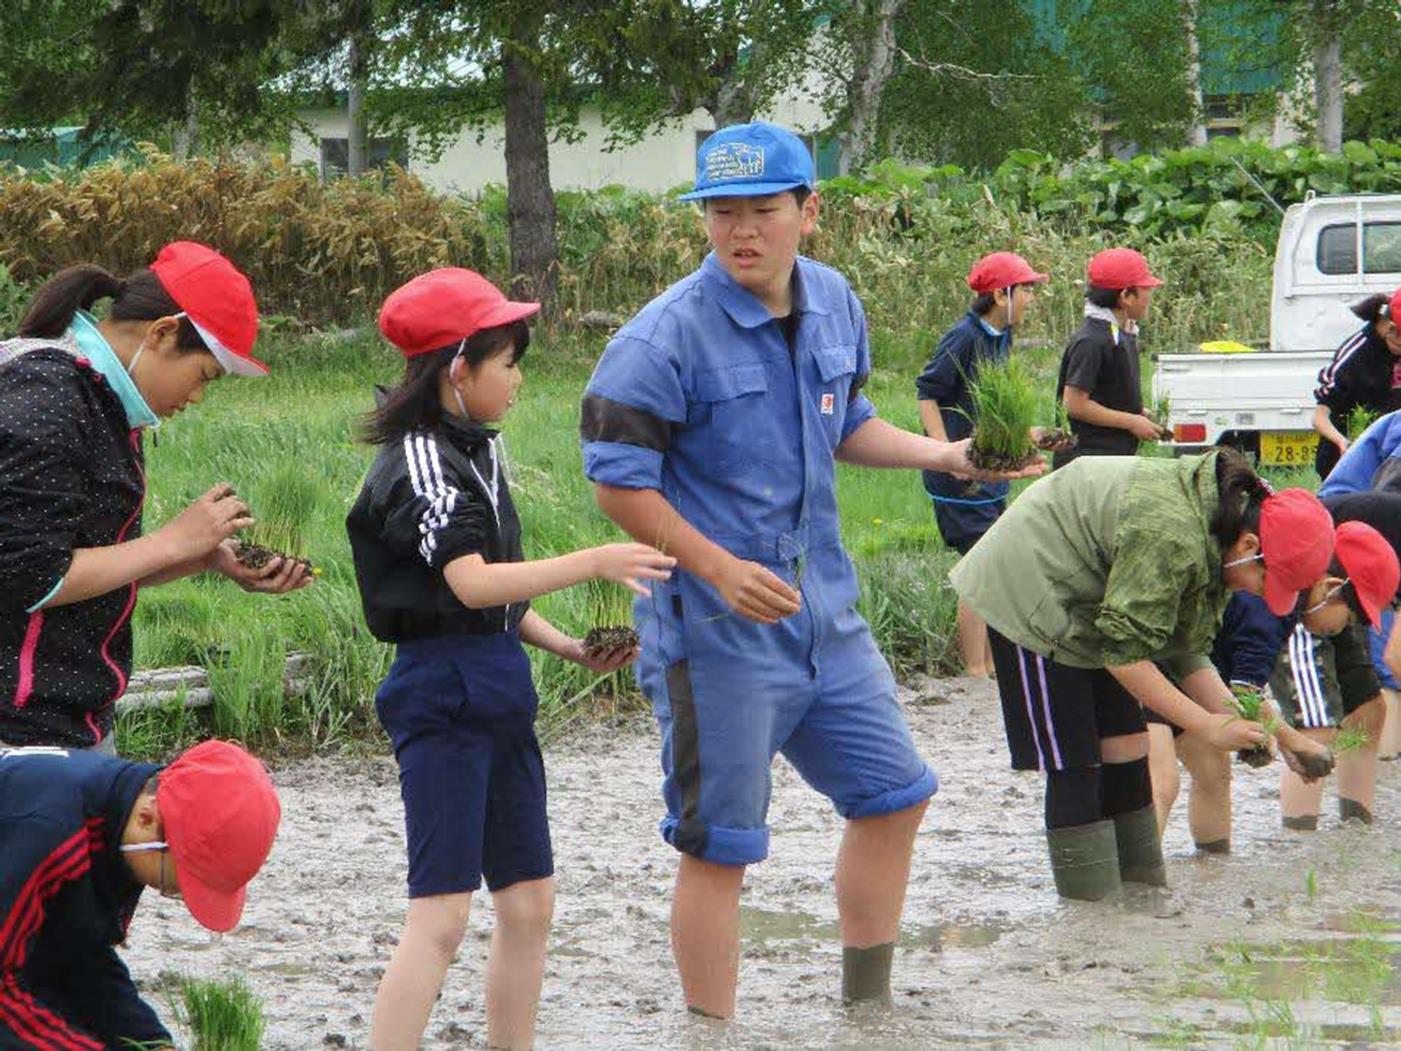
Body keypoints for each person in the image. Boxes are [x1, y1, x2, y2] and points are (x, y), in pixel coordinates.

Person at [580, 121, 1042, 1019]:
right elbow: (616, 486)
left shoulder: (833, 300)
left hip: (826, 612)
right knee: (720, 846)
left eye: (762, 210)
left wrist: (945, 458)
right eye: (722, 213)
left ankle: (866, 1013)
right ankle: (709, 1034)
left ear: (808, 209)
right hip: (716, 630)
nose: (741, 231)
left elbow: (845, 420)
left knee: (895, 795)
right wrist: (715, 569)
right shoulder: (660, 337)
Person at [347, 268, 675, 1051]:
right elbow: (469, 582)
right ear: (457, 370)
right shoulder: (422, 461)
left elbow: (498, 596)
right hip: (441, 692)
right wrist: (592, 559)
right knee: (442, 912)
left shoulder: (476, 451)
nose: (519, 379)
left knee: (528, 902)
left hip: (497, 682)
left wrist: (564, 643)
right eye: (508, 362)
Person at [949, 449, 1335, 901]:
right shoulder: (1173, 537)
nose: (1260, 594)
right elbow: (1124, 657)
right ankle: (1089, 911)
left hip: (1099, 604)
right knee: (1076, 761)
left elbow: (1186, 653)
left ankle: (1139, 896)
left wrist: (1285, 737)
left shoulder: (1217, 543)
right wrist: (1206, 725)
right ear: (1249, 547)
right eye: (1266, 582)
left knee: (1129, 745)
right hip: (1035, 589)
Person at [0, 242, 311, 753]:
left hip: (72, 722)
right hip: (22, 736)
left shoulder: (104, 398)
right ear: (163, 332)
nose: (196, 397)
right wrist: (174, 541)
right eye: (203, 376)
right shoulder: (48, 398)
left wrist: (205, 556)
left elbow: (91, 564)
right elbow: (32, 577)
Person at [0, 738, 280, 1050]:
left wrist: (150, 1042)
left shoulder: (121, 816)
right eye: (174, 885)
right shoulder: (48, 832)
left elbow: (79, 954)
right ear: (148, 819)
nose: (169, 892)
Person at [1149, 522, 1397, 849]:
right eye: (1351, 619)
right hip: (1151, 667)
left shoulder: (1283, 604)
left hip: (1188, 674)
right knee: (1161, 782)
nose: (1342, 630)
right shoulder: (1270, 612)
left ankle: (1212, 868)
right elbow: (1245, 692)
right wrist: (1292, 740)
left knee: (1213, 769)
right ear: (1332, 587)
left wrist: (1281, 741)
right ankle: (1136, 886)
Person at [916, 251, 1050, 676]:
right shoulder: (964, 337)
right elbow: (927, 392)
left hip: (987, 467)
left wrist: (1022, 435)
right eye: (1026, 289)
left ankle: (990, 666)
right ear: (999, 294)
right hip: (958, 473)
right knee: (980, 565)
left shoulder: (1000, 336)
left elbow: (992, 405)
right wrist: (943, 452)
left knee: (995, 561)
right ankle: (975, 670)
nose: (1031, 297)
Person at [1053, 248, 1166, 469]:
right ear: (1126, 296)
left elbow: (1106, 391)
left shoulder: (1120, 333)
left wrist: (1138, 412)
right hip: (1087, 463)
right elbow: (1075, 404)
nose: (1149, 297)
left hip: (1110, 459)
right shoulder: (1092, 340)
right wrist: (1131, 421)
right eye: (1146, 290)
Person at [1312, 287, 1401, 480]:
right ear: (1391, 328)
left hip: (1391, 462)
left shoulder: (1394, 350)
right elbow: (1319, 418)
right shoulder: (1354, 356)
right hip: (1346, 465)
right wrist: (1344, 443)